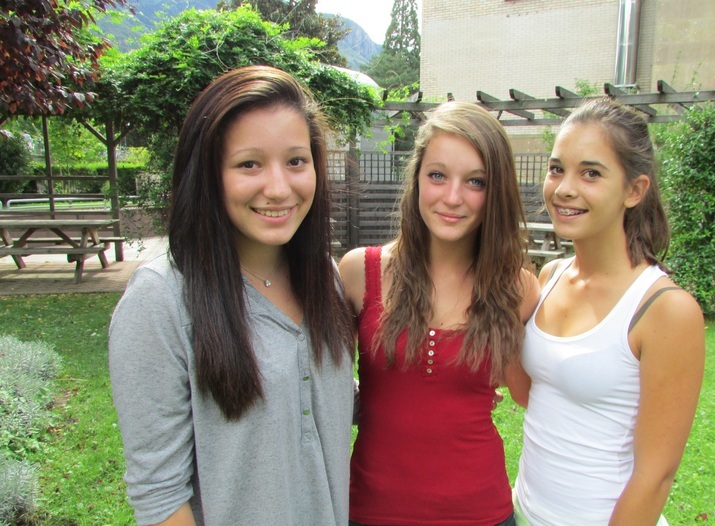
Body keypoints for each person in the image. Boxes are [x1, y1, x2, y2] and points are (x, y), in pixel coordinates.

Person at [108, 65, 354, 526]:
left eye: (296, 161)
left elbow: (320, 397)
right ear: (208, 174)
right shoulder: (161, 300)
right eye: (249, 164)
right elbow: (160, 498)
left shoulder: (323, 275)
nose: (278, 188)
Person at [339, 101, 540, 526]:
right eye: (437, 175)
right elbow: (321, 383)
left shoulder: (518, 289)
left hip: (481, 512)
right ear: (416, 179)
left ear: (496, 192)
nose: (452, 197)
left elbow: (535, 391)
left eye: (475, 181)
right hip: (371, 511)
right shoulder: (360, 272)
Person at [511, 98, 705, 526]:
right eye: (557, 168)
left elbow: (656, 475)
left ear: (634, 190)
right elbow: (531, 395)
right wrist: (503, 313)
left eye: (591, 173)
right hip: (523, 510)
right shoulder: (551, 275)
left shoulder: (666, 310)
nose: (564, 188)